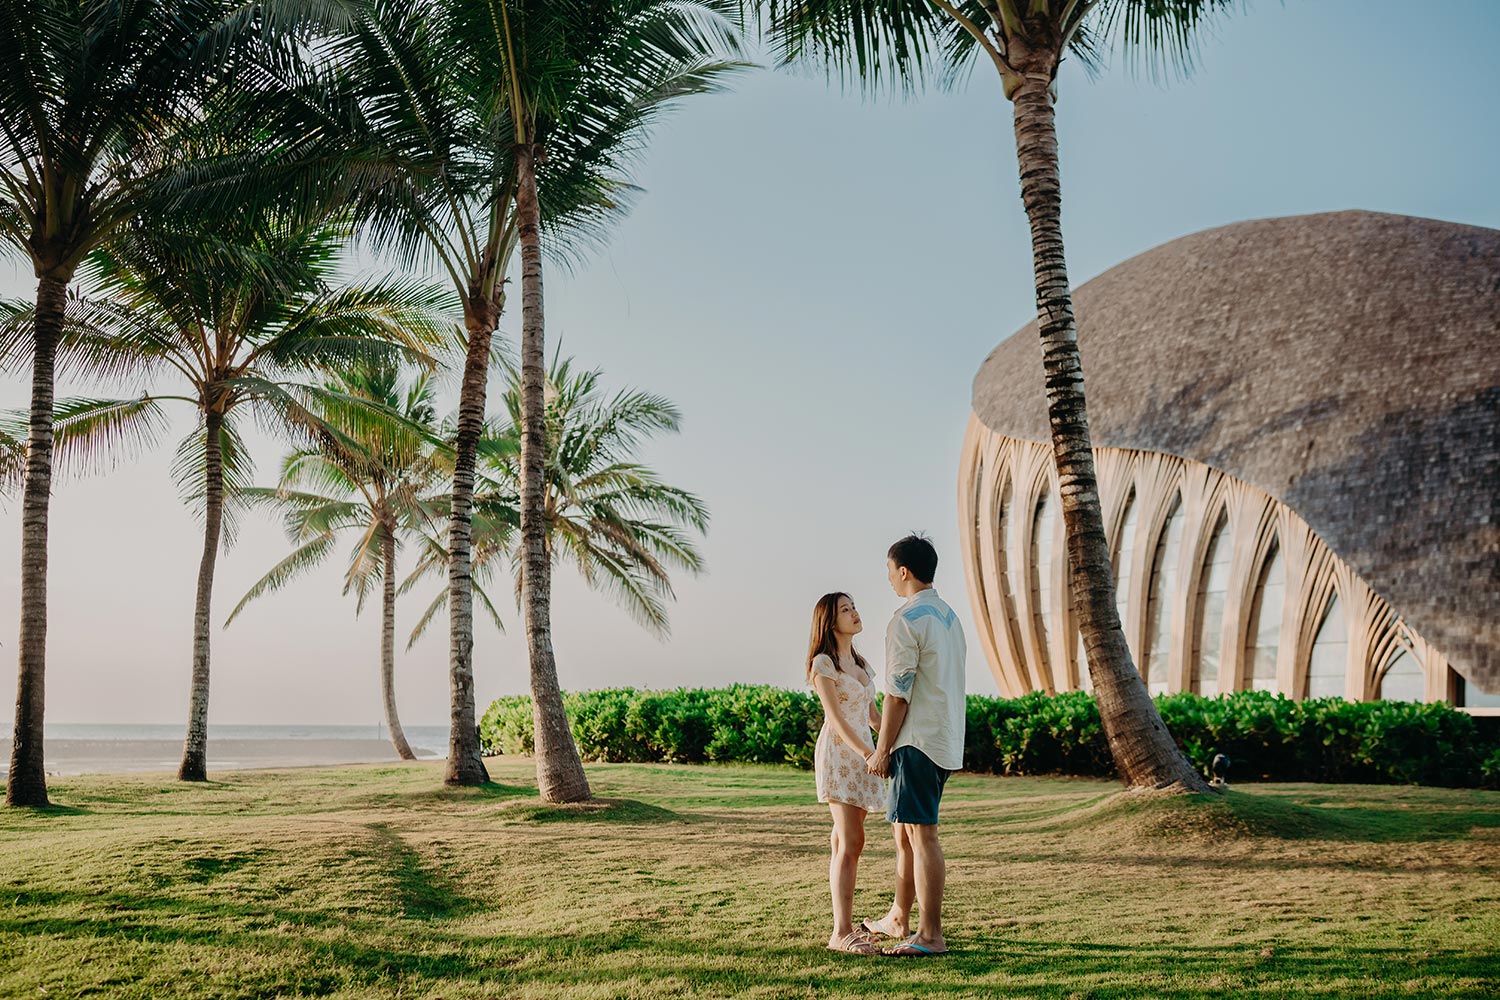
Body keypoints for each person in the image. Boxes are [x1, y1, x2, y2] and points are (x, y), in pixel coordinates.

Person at [863, 534, 966, 957]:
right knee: (905, 833)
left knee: (922, 836)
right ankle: (899, 917)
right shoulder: (949, 617)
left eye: (889, 570)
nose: (888, 578)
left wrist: (882, 747)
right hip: (943, 737)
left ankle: (930, 935)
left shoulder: (906, 620)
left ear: (903, 571)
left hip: (917, 741)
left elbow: (898, 693)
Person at [806, 591, 885, 955]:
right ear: (829, 620)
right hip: (841, 755)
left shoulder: (861, 664)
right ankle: (841, 933)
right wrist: (869, 752)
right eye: (845, 609)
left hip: (866, 756)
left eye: (854, 606)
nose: (855, 613)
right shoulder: (823, 664)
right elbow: (836, 719)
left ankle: (847, 925)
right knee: (852, 841)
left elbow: (873, 715)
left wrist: (890, 744)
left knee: (845, 840)